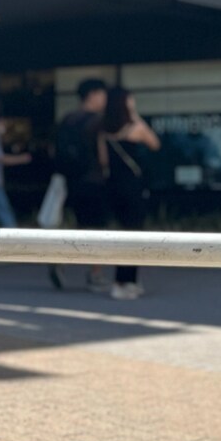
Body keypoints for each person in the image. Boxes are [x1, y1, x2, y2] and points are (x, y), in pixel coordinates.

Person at [101, 86, 161, 299]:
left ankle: (125, 280)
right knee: (135, 234)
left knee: (123, 234)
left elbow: (103, 161)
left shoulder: (104, 130)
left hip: (113, 187)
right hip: (133, 187)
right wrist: (135, 115)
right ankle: (125, 281)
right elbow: (155, 144)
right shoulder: (136, 128)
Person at [49, 77, 108, 291]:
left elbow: (55, 150)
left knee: (80, 225)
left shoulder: (68, 119)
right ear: (93, 95)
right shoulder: (98, 121)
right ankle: (95, 273)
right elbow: (102, 155)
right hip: (94, 180)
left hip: (71, 180)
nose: (105, 100)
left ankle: (61, 258)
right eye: (102, 95)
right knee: (97, 229)